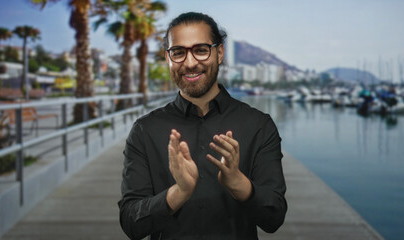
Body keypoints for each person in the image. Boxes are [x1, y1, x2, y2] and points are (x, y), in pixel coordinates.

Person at [118, 12, 287, 240]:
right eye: (178, 52)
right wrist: (179, 192)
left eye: (200, 50)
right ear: (168, 58)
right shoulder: (144, 130)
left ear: (219, 53)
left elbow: (274, 218)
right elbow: (131, 224)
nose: (189, 63)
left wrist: (238, 183)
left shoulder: (259, 126)